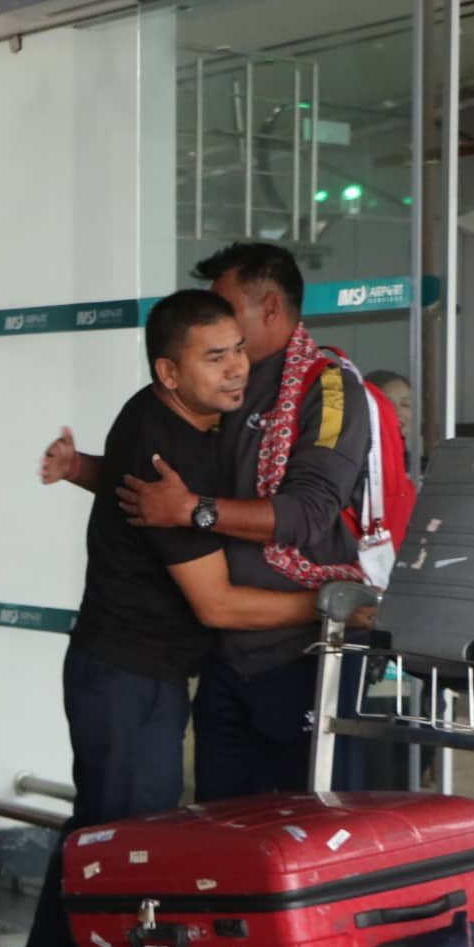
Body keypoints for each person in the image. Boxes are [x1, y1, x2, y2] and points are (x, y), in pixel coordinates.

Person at [0, 291, 324, 947]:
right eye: (216, 357)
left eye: (239, 348)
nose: (238, 367)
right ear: (168, 372)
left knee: (104, 827)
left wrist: (81, 467)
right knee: (116, 840)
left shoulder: (174, 417)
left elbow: (125, 479)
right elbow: (218, 606)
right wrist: (335, 606)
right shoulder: (166, 447)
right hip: (129, 672)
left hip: (138, 670)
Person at [56, 243, 372, 802]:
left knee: (305, 830)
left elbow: (309, 512)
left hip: (298, 659)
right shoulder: (212, 399)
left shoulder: (322, 387)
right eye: (214, 351)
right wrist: (88, 470)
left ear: (269, 308)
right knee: (199, 836)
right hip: (220, 660)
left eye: (226, 314)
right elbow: (151, 475)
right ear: (171, 372)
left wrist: (193, 510)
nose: (229, 359)